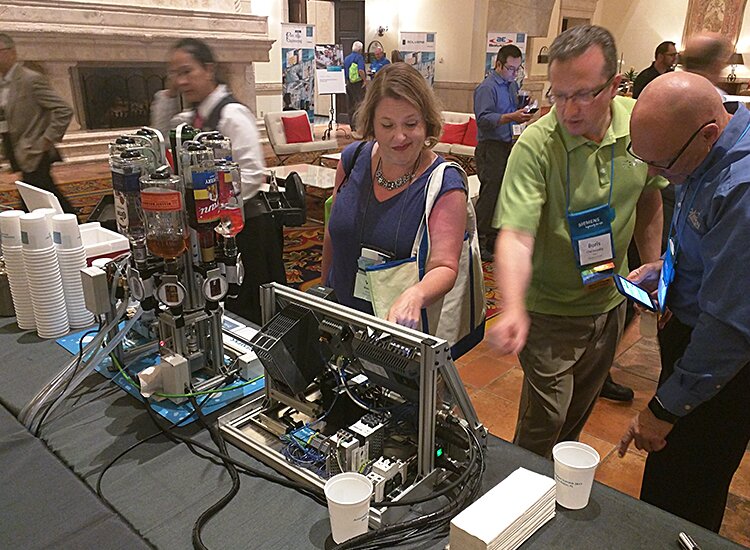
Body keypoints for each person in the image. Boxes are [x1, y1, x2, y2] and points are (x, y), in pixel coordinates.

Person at [489, 25, 665, 459]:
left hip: (609, 302)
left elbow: (649, 194)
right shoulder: (537, 145)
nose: (567, 109)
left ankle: (556, 505)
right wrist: (511, 306)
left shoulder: (639, 123)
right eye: (558, 94)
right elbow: (515, 235)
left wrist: (656, 262)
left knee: (575, 421)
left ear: (615, 85)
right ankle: (518, 500)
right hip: (548, 311)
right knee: (544, 421)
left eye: (583, 94)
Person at [619, 71, 750, 533]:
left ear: (709, 133)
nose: (655, 174)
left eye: (663, 163)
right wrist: (665, 272)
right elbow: (699, 243)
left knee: (684, 499)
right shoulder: (702, 152)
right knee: (666, 487)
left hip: (716, 374)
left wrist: (665, 409)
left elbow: (729, 329)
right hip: (692, 346)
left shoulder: (743, 189)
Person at [321, 62, 468, 333]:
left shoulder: (444, 183)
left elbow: (445, 265)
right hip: (338, 320)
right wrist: (321, 296)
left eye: (410, 124)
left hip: (396, 333)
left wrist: (416, 295)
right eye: (387, 125)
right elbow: (333, 233)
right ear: (372, 125)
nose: (399, 136)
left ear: (426, 123)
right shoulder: (353, 159)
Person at [150, 38, 285, 325]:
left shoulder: (231, 115)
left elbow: (251, 175)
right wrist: (168, 94)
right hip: (217, 229)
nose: (182, 81)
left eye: (187, 71)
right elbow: (161, 138)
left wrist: (211, 207)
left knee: (255, 309)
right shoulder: (193, 118)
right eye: (175, 74)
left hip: (246, 229)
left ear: (209, 69)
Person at [0, 33, 75, 214]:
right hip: (16, 148)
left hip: (34, 150)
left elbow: (64, 110)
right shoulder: (3, 83)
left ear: (11, 53)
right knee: (36, 192)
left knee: (39, 191)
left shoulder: (30, 79)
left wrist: (46, 140)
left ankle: (72, 223)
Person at [472, 44, 532, 262]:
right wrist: (510, 117)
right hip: (491, 146)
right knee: (490, 194)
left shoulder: (511, 85)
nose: (514, 74)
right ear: (498, 64)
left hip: (508, 143)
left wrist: (523, 114)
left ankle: (494, 239)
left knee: (503, 193)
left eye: (518, 69)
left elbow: (512, 110)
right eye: (510, 68)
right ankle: (478, 241)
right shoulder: (487, 88)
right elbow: (483, 119)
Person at [344, 41, 366, 133]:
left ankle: (352, 127)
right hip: (358, 84)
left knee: (351, 104)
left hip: (349, 83)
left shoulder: (347, 58)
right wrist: (364, 80)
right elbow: (360, 70)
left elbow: (345, 71)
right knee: (360, 104)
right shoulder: (359, 57)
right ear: (360, 49)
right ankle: (359, 125)